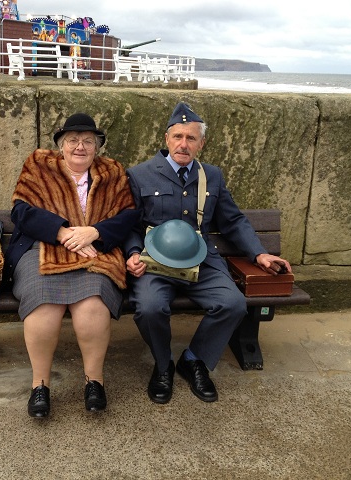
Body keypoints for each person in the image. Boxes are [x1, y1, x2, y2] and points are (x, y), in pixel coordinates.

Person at [124, 102, 292, 404]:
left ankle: (195, 360)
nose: (183, 144)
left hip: (202, 258)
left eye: (191, 138)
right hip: (156, 261)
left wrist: (259, 254)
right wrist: (133, 252)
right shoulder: (140, 175)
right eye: (177, 137)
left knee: (233, 304)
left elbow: (232, 220)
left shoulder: (211, 175)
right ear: (166, 139)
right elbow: (131, 225)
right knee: (149, 308)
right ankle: (163, 365)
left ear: (201, 143)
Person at [6, 113, 139, 418]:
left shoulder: (113, 171)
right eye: (73, 140)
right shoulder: (39, 165)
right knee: (44, 305)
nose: (80, 146)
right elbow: (21, 211)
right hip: (44, 248)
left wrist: (95, 232)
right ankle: (40, 385)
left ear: (97, 146)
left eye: (88, 141)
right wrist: (63, 232)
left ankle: (95, 382)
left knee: (92, 305)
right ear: (61, 145)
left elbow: (129, 215)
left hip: (96, 251)